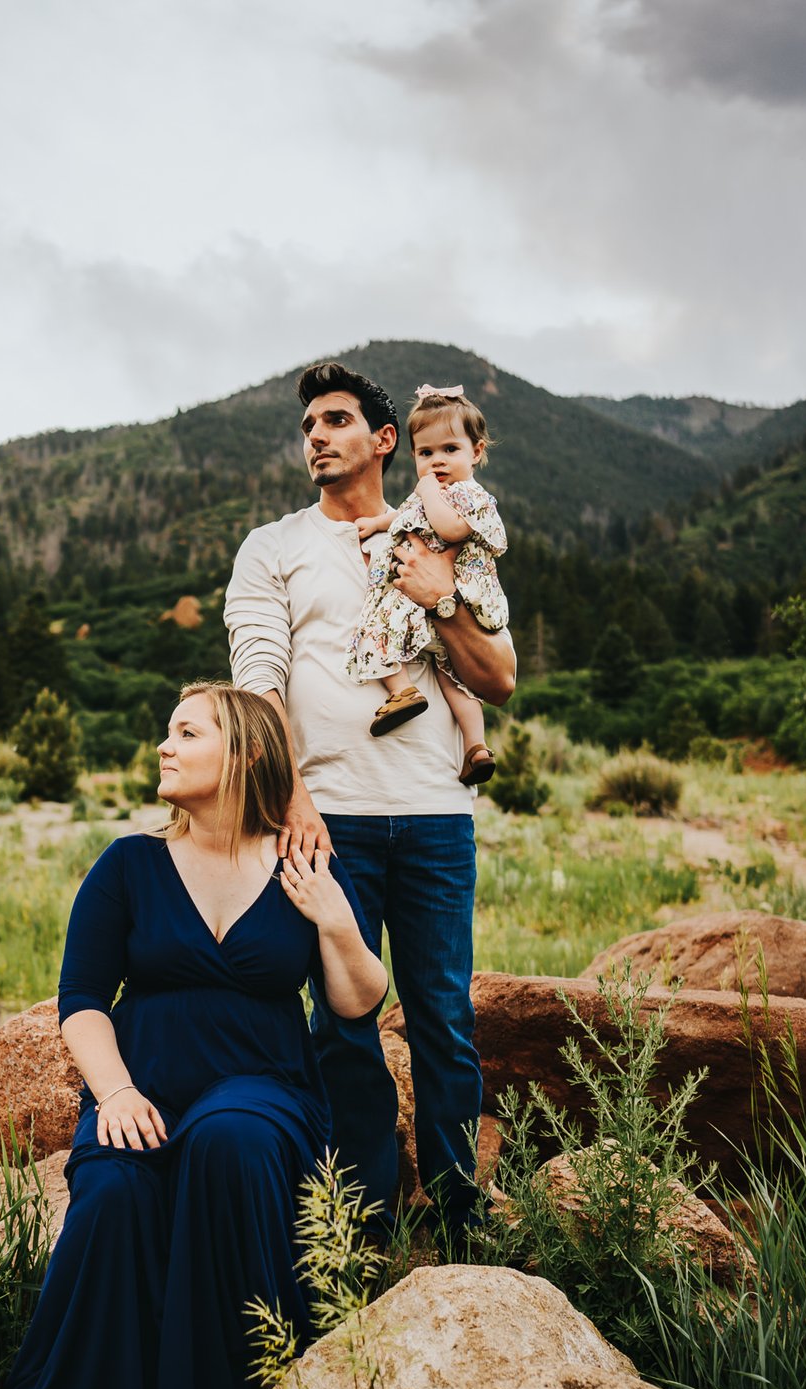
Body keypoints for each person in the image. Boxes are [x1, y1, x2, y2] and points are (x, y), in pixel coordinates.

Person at [0, 682, 387, 1389]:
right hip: (141, 1088)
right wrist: (113, 1092)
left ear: (247, 753)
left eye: (187, 732)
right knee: (114, 1195)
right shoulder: (129, 865)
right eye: (168, 732)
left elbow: (355, 999)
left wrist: (336, 918)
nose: (164, 745)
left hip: (267, 1088)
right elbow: (81, 999)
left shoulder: (302, 863)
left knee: (230, 1141)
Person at [222, 361, 517, 1235]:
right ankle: (365, 1217)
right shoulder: (272, 548)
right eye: (309, 422)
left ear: (386, 441)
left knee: (443, 1018)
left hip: (435, 816)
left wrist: (442, 598)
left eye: (337, 419)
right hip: (329, 820)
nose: (315, 434)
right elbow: (259, 680)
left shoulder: (444, 530)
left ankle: (460, 1210)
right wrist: (291, 799)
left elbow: (498, 678)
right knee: (344, 1022)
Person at [345, 385, 511, 785]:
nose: (437, 461)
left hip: (451, 595)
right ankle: (476, 747)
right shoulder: (430, 494)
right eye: (426, 453)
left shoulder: (469, 495)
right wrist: (379, 523)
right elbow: (406, 517)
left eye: (449, 450)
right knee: (449, 673)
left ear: (477, 451)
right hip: (437, 601)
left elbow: (449, 527)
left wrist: (429, 490)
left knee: (376, 629)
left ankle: (400, 690)